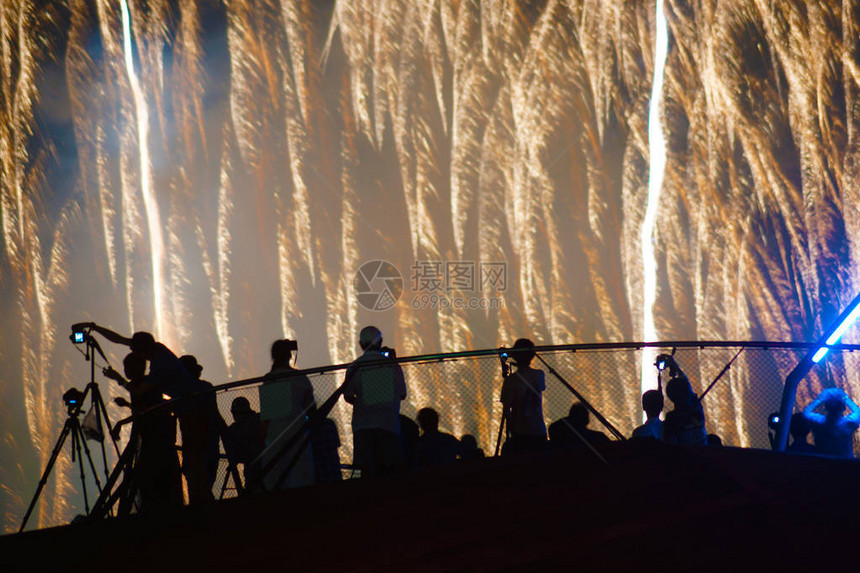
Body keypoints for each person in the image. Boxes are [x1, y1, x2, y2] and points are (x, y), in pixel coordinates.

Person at [79, 322, 213, 503]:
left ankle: (204, 506)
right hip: (189, 410)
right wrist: (93, 327)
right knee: (193, 463)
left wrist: (118, 378)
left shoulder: (159, 366)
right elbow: (119, 340)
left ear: (142, 351)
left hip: (193, 412)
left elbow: (139, 392)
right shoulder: (158, 349)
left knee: (194, 463)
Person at [104, 354, 182, 512]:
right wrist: (126, 405)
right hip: (151, 440)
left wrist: (119, 379)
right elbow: (143, 410)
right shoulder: (139, 385)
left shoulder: (146, 384)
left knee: (153, 483)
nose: (126, 371)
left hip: (156, 442)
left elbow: (146, 409)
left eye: (128, 368)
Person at [342, 326, 407, 477]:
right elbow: (402, 394)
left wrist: (364, 402)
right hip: (388, 424)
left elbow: (348, 395)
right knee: (391, 470)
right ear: (381, 342)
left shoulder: (355, 367)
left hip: (363, 425)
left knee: (366, 471)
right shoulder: (393, 366)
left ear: (361, 344)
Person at [258, 339, 316, 489]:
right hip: (298, 434)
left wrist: (261, 440)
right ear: (289, 355)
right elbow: (311, 408)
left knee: (276, 481)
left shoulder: (269, 380)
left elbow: (266, 416)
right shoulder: (300, 378)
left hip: (274, 437)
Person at [179, 354, 225, 492]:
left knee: (198, 489)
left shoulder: (181, 391)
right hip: (210, 444)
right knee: (205, 485)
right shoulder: (206, 387)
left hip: (194, 447)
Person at [500, 338, 547, 455]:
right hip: (538, 429)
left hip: (520, 431)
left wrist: (505, 358)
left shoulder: (511, 381)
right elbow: (541, 387)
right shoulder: (539, 375)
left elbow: (507, 408)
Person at [661, 356, 706, 446]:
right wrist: (675, 366)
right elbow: (687, 385)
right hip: (704, 452)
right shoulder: (696, 409)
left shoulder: (672, 418)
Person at [802, 388, 860, 458]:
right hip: (846, 465)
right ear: (844, 407)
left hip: (822, 464)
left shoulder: (817, 422)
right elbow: (857, 412)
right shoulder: (849, 423)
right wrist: (845, 397)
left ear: (825, 407)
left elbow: (806, 413)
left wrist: (820, 398)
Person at [222, 397, 263, 487]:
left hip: (257, 466)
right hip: (257, 466)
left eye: (237, 413)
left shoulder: (236, 429)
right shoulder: (258, 419)